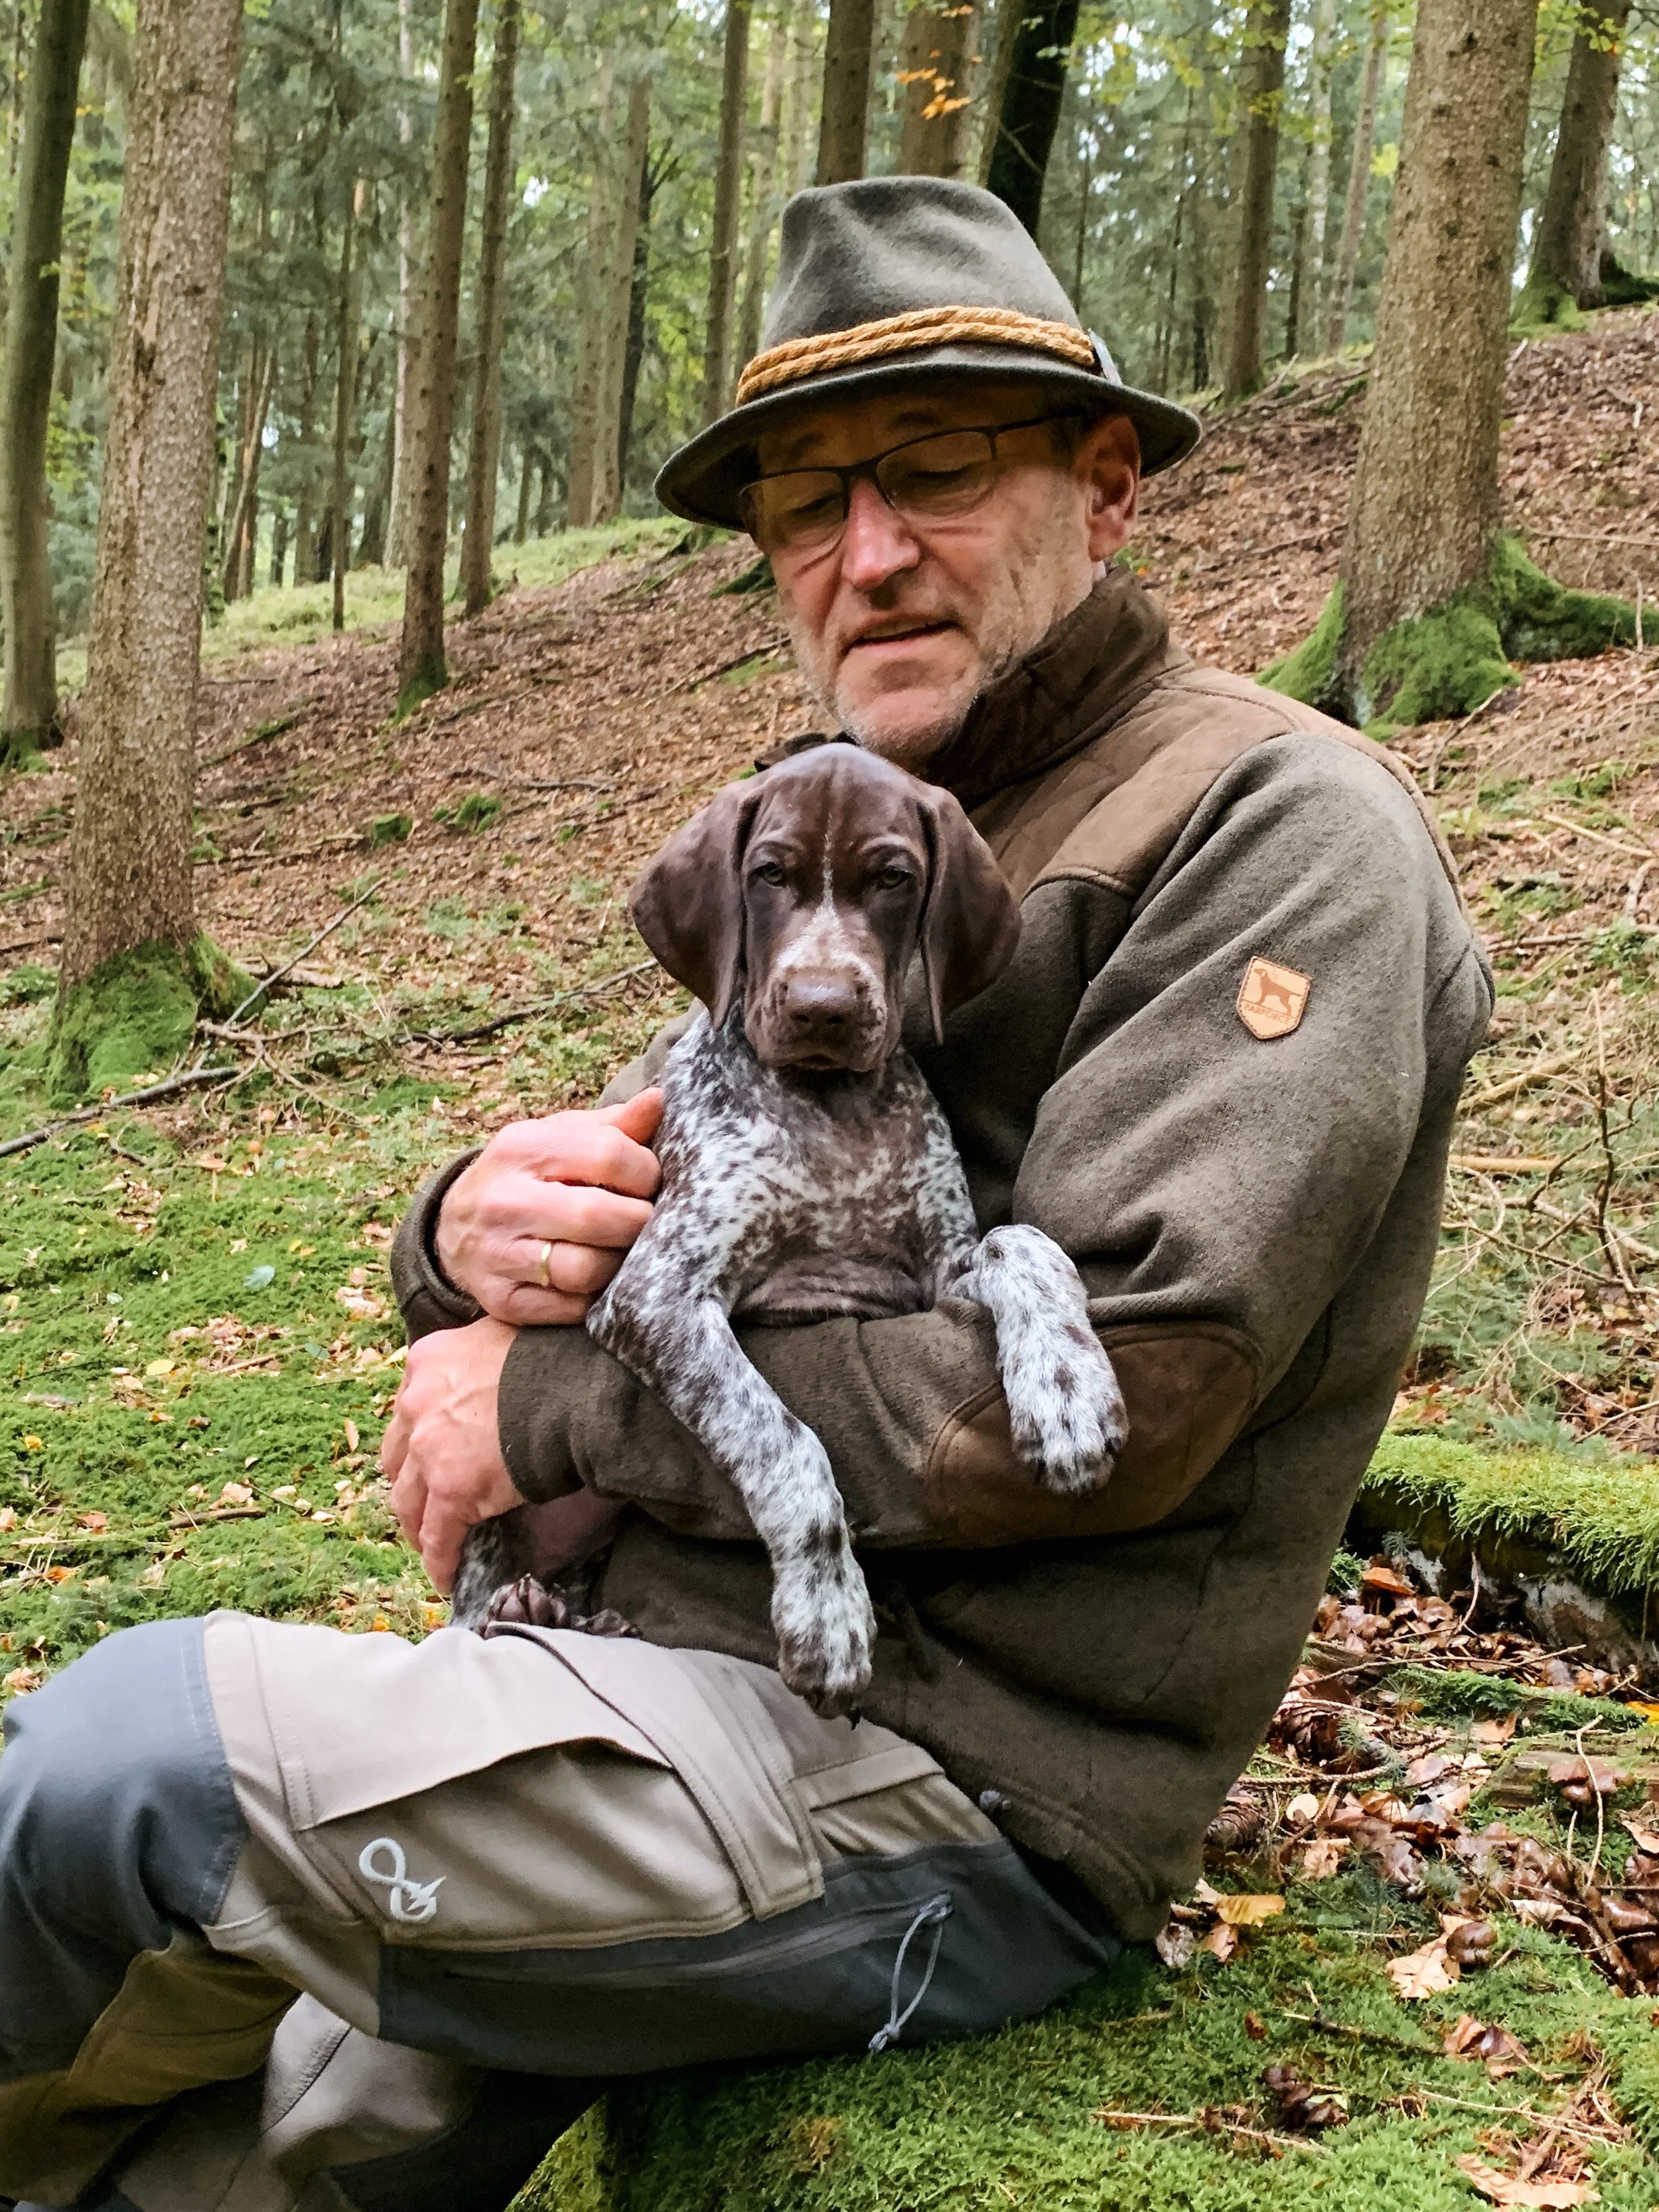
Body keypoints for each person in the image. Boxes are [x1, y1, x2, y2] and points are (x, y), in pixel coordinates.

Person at [0, 177, 1491, 2212]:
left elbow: (1133, 1394)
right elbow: (610, 1203)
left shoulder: (1271, 821)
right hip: (633, 1658)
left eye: (935, 475)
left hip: (954, 1780)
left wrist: (543, 1408)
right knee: (251, 2157)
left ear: (1107, 483)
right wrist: (449, 1233)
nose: (864, 554)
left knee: (119, 1772)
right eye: (807, 506)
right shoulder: (822, 835)